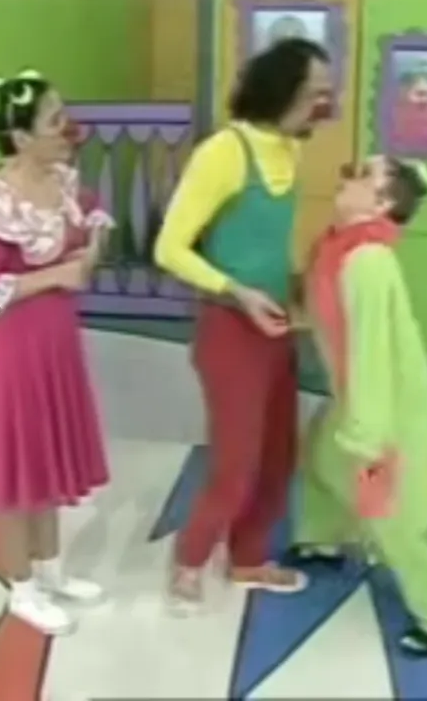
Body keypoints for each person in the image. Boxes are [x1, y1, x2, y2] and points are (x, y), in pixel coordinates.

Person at [153, 38, 333, 611]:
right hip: (230, 330)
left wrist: (302, 283)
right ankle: (188, 561)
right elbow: (169, 249)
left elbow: (266, 242)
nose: (325, 105)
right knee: (237, 462)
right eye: (316, 94)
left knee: (279, 456)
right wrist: (237, 291)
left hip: (276, 327)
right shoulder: (224, 153)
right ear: (283, 91)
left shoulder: (291, 150)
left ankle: (248, 557)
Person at [0, 69, 113, 635]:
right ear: (20, 137)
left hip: (53, 349)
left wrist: (90, 251)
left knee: (45, 463)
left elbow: (92, 217)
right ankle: (22, 589)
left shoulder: (62, 181)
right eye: (54, 119)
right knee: (15, 474)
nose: (68, 128)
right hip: (7, 358)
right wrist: (54, 276)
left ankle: (51, 571)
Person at [293, 155, 427, 656]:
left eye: (363, 175)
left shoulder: (366, 261)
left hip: (389, 405)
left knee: (389, 511)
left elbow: (371, 353)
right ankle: (323, 540)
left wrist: (367, 433)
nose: (347, 176)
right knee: (323, 460)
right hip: (358, 394)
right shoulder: (340, 247)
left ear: (382, 203)